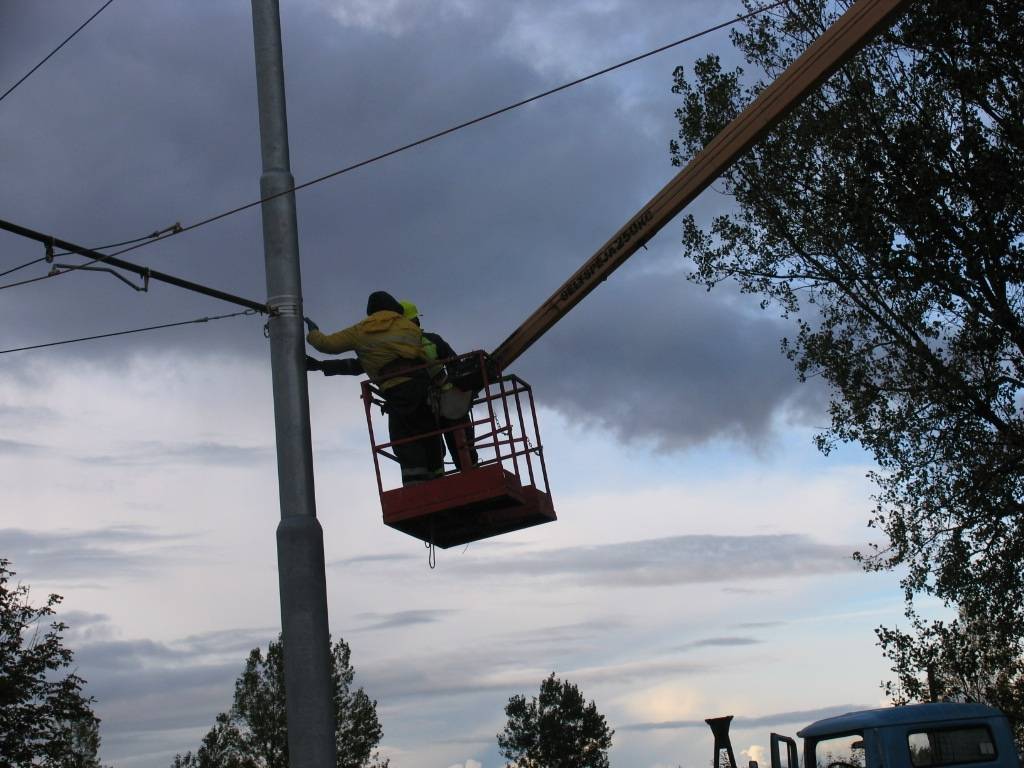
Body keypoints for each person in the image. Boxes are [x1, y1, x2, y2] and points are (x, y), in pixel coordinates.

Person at [305, 291, 443, 485]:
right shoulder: (409, 327)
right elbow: (427, 359)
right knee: (431, 437)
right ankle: (438, 480)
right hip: (423, 391)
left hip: (397, 396)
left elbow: (329, 346)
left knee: (404, 441)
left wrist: (313, 333)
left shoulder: (361, 331)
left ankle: (416, 489)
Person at [399, 300, 478, 470]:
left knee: (442, 448)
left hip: (431, 406)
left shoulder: (401, 349)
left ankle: (464, 471)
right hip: (444, 404)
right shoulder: (431, 340)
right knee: (458, 446)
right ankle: (469, 472)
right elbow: (456, 365)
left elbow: (455, 364)